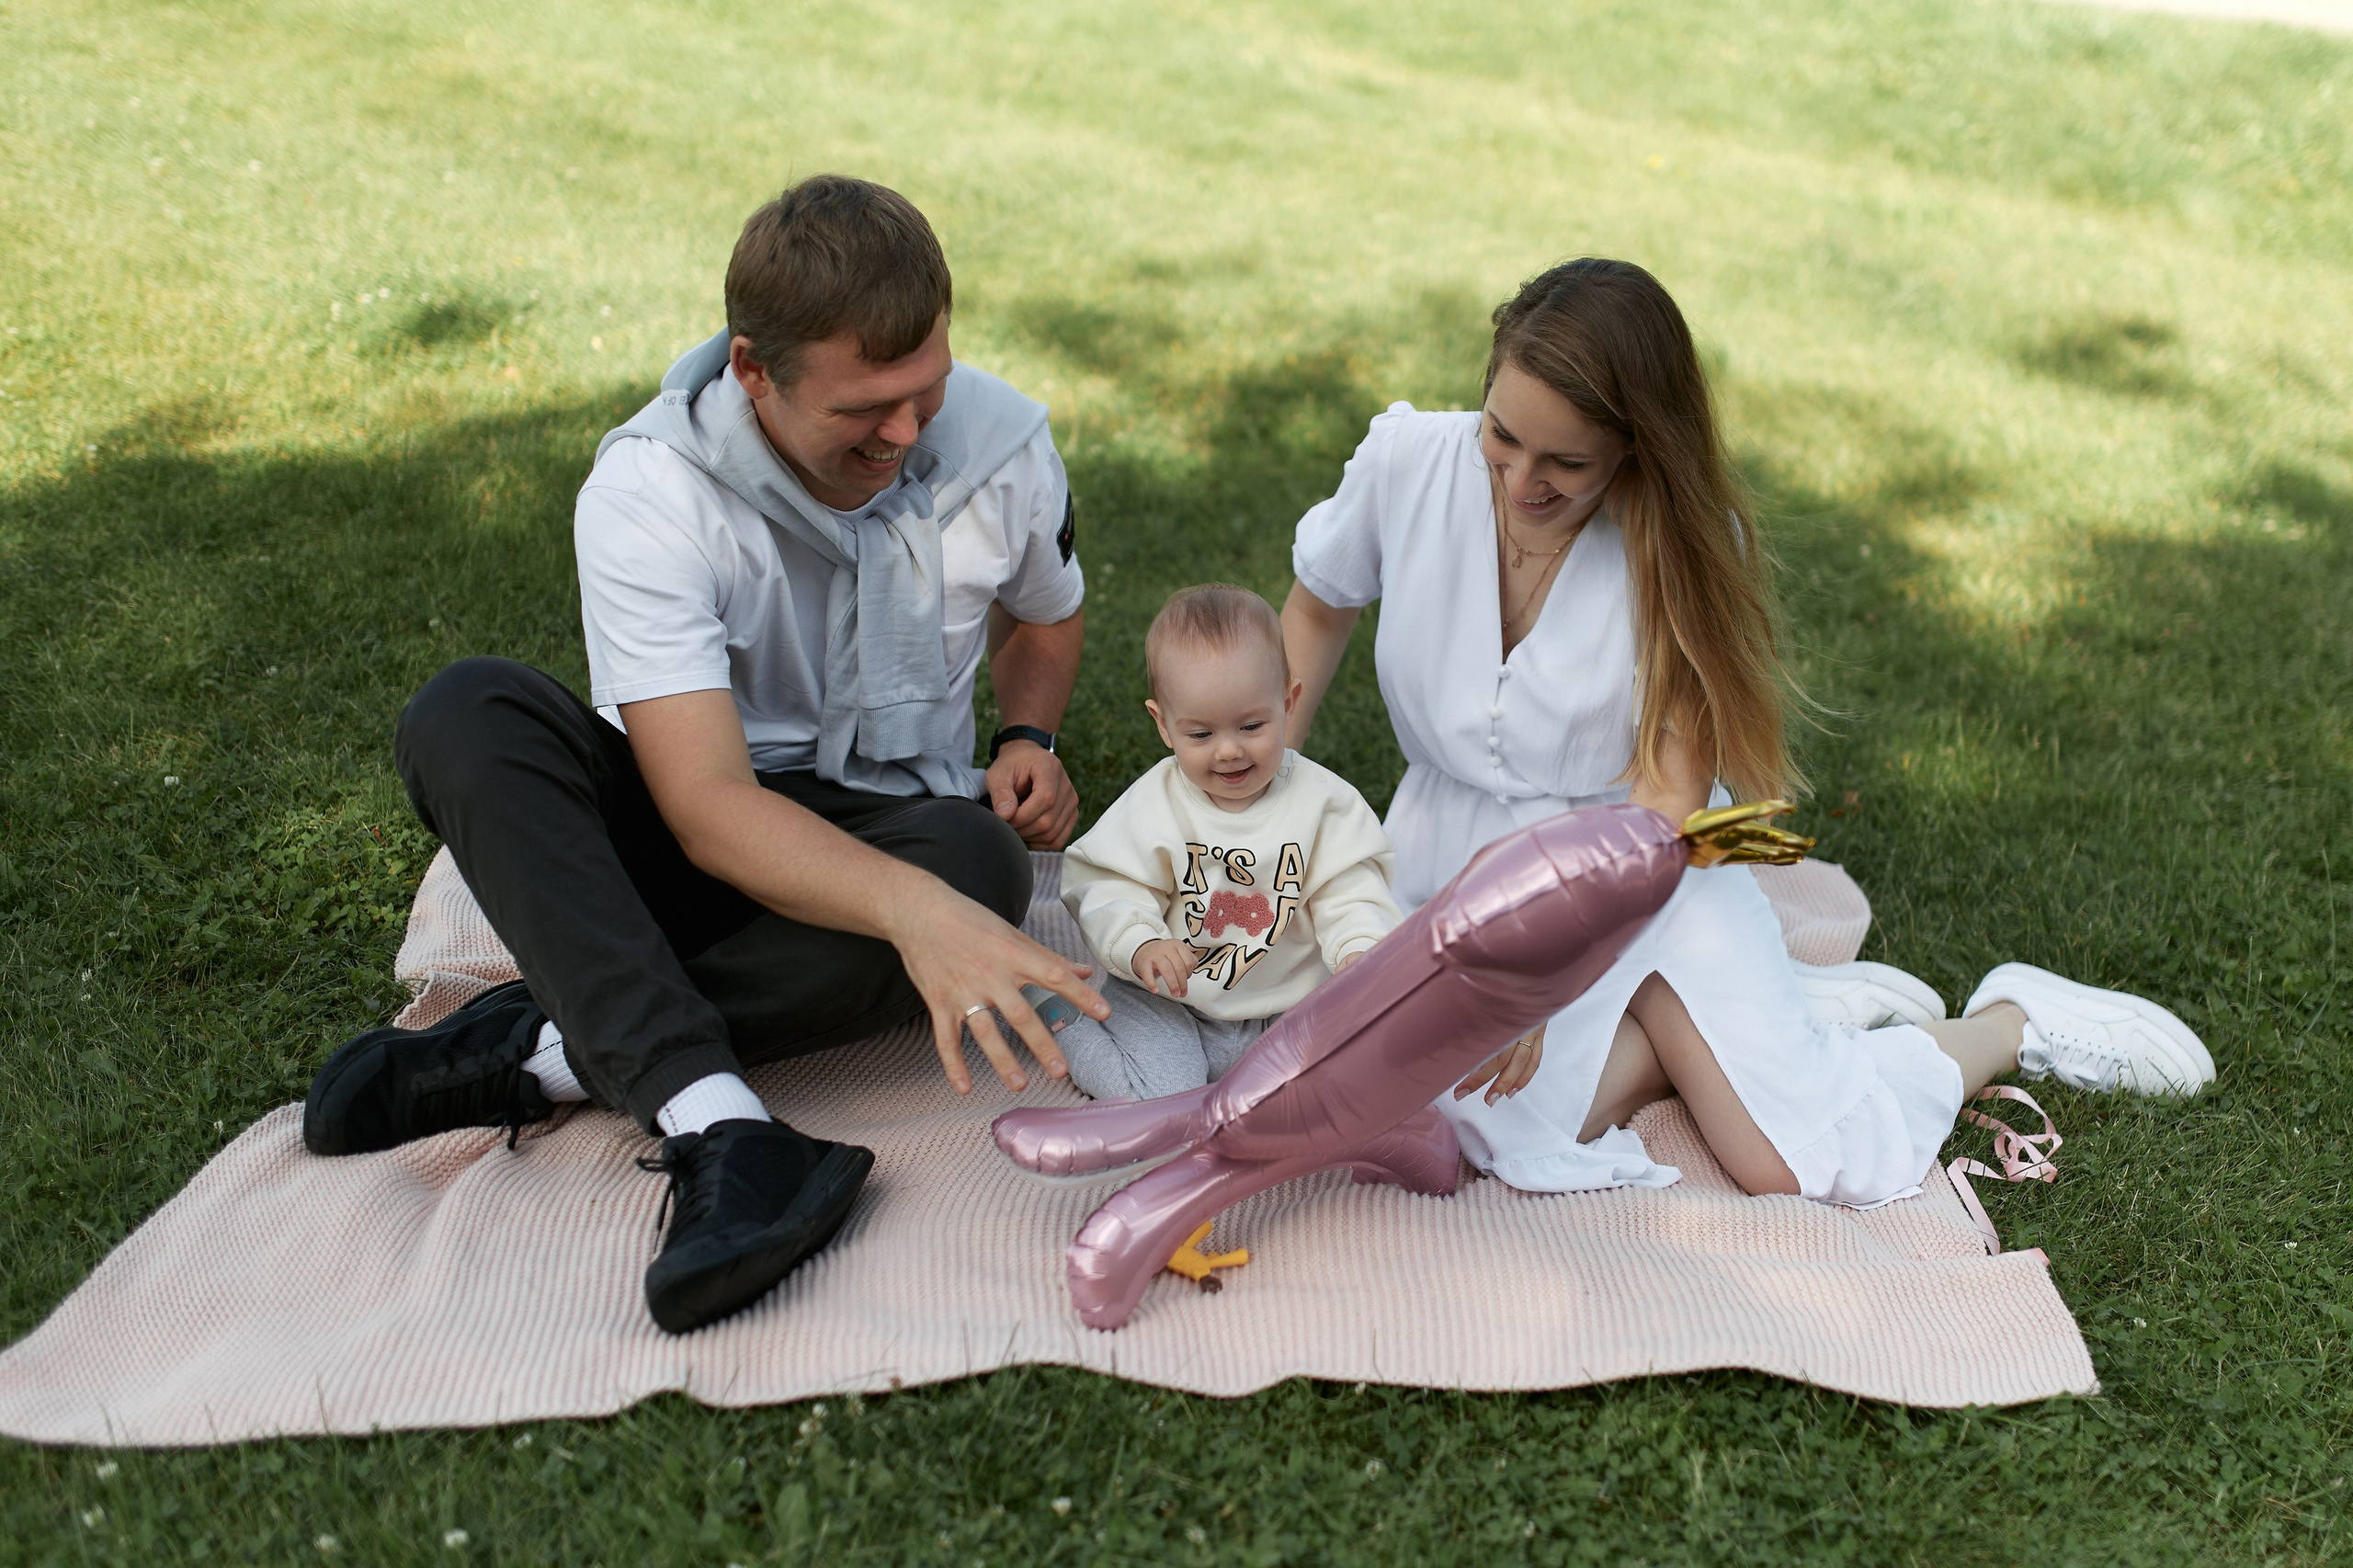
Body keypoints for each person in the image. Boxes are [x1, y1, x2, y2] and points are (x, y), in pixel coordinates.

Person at [301, 176, 1110, 1334]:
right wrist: (907, 916)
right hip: (692, 833)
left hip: (886, 815)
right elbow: (707, 802)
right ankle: (726, 1126)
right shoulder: (651, 491)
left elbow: (1047, 609)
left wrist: (1027, 732)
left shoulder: (1003, 445)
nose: (904, 432)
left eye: (925, 391)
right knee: (468, 708)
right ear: (751, 369)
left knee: (975, 866)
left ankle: (548, 1051)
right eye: (864, 409)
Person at [1280, 258, 2214, 1205]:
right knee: (1422, 1118)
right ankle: (1708, 1032)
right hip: (1451, 854)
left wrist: (1530, 982)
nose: (1522, 480)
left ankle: (2013, 1017)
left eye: (1565, 463)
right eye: (1503, 437)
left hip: (1643, 868)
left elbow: (1659, 812)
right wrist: (1244, 806)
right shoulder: (1404, 462)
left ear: (1636, 448)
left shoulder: (1682, 541)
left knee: (1799, 1159)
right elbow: (1316, 609)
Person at [1054, 585, 1401, 1101]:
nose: (1230, 750)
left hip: (1285, 1006)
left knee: (1356, 1074)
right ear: (1163, 725)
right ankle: (1061, 1015)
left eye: (1252, 725)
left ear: (1288, 701)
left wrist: (1360, 951)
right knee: (1161, 1094)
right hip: (1173, 1003)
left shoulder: (1324, 805)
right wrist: (1142, 942)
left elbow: (1351, 892)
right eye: (1200, 735)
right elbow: (1109, 886)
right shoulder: (1157, 806)